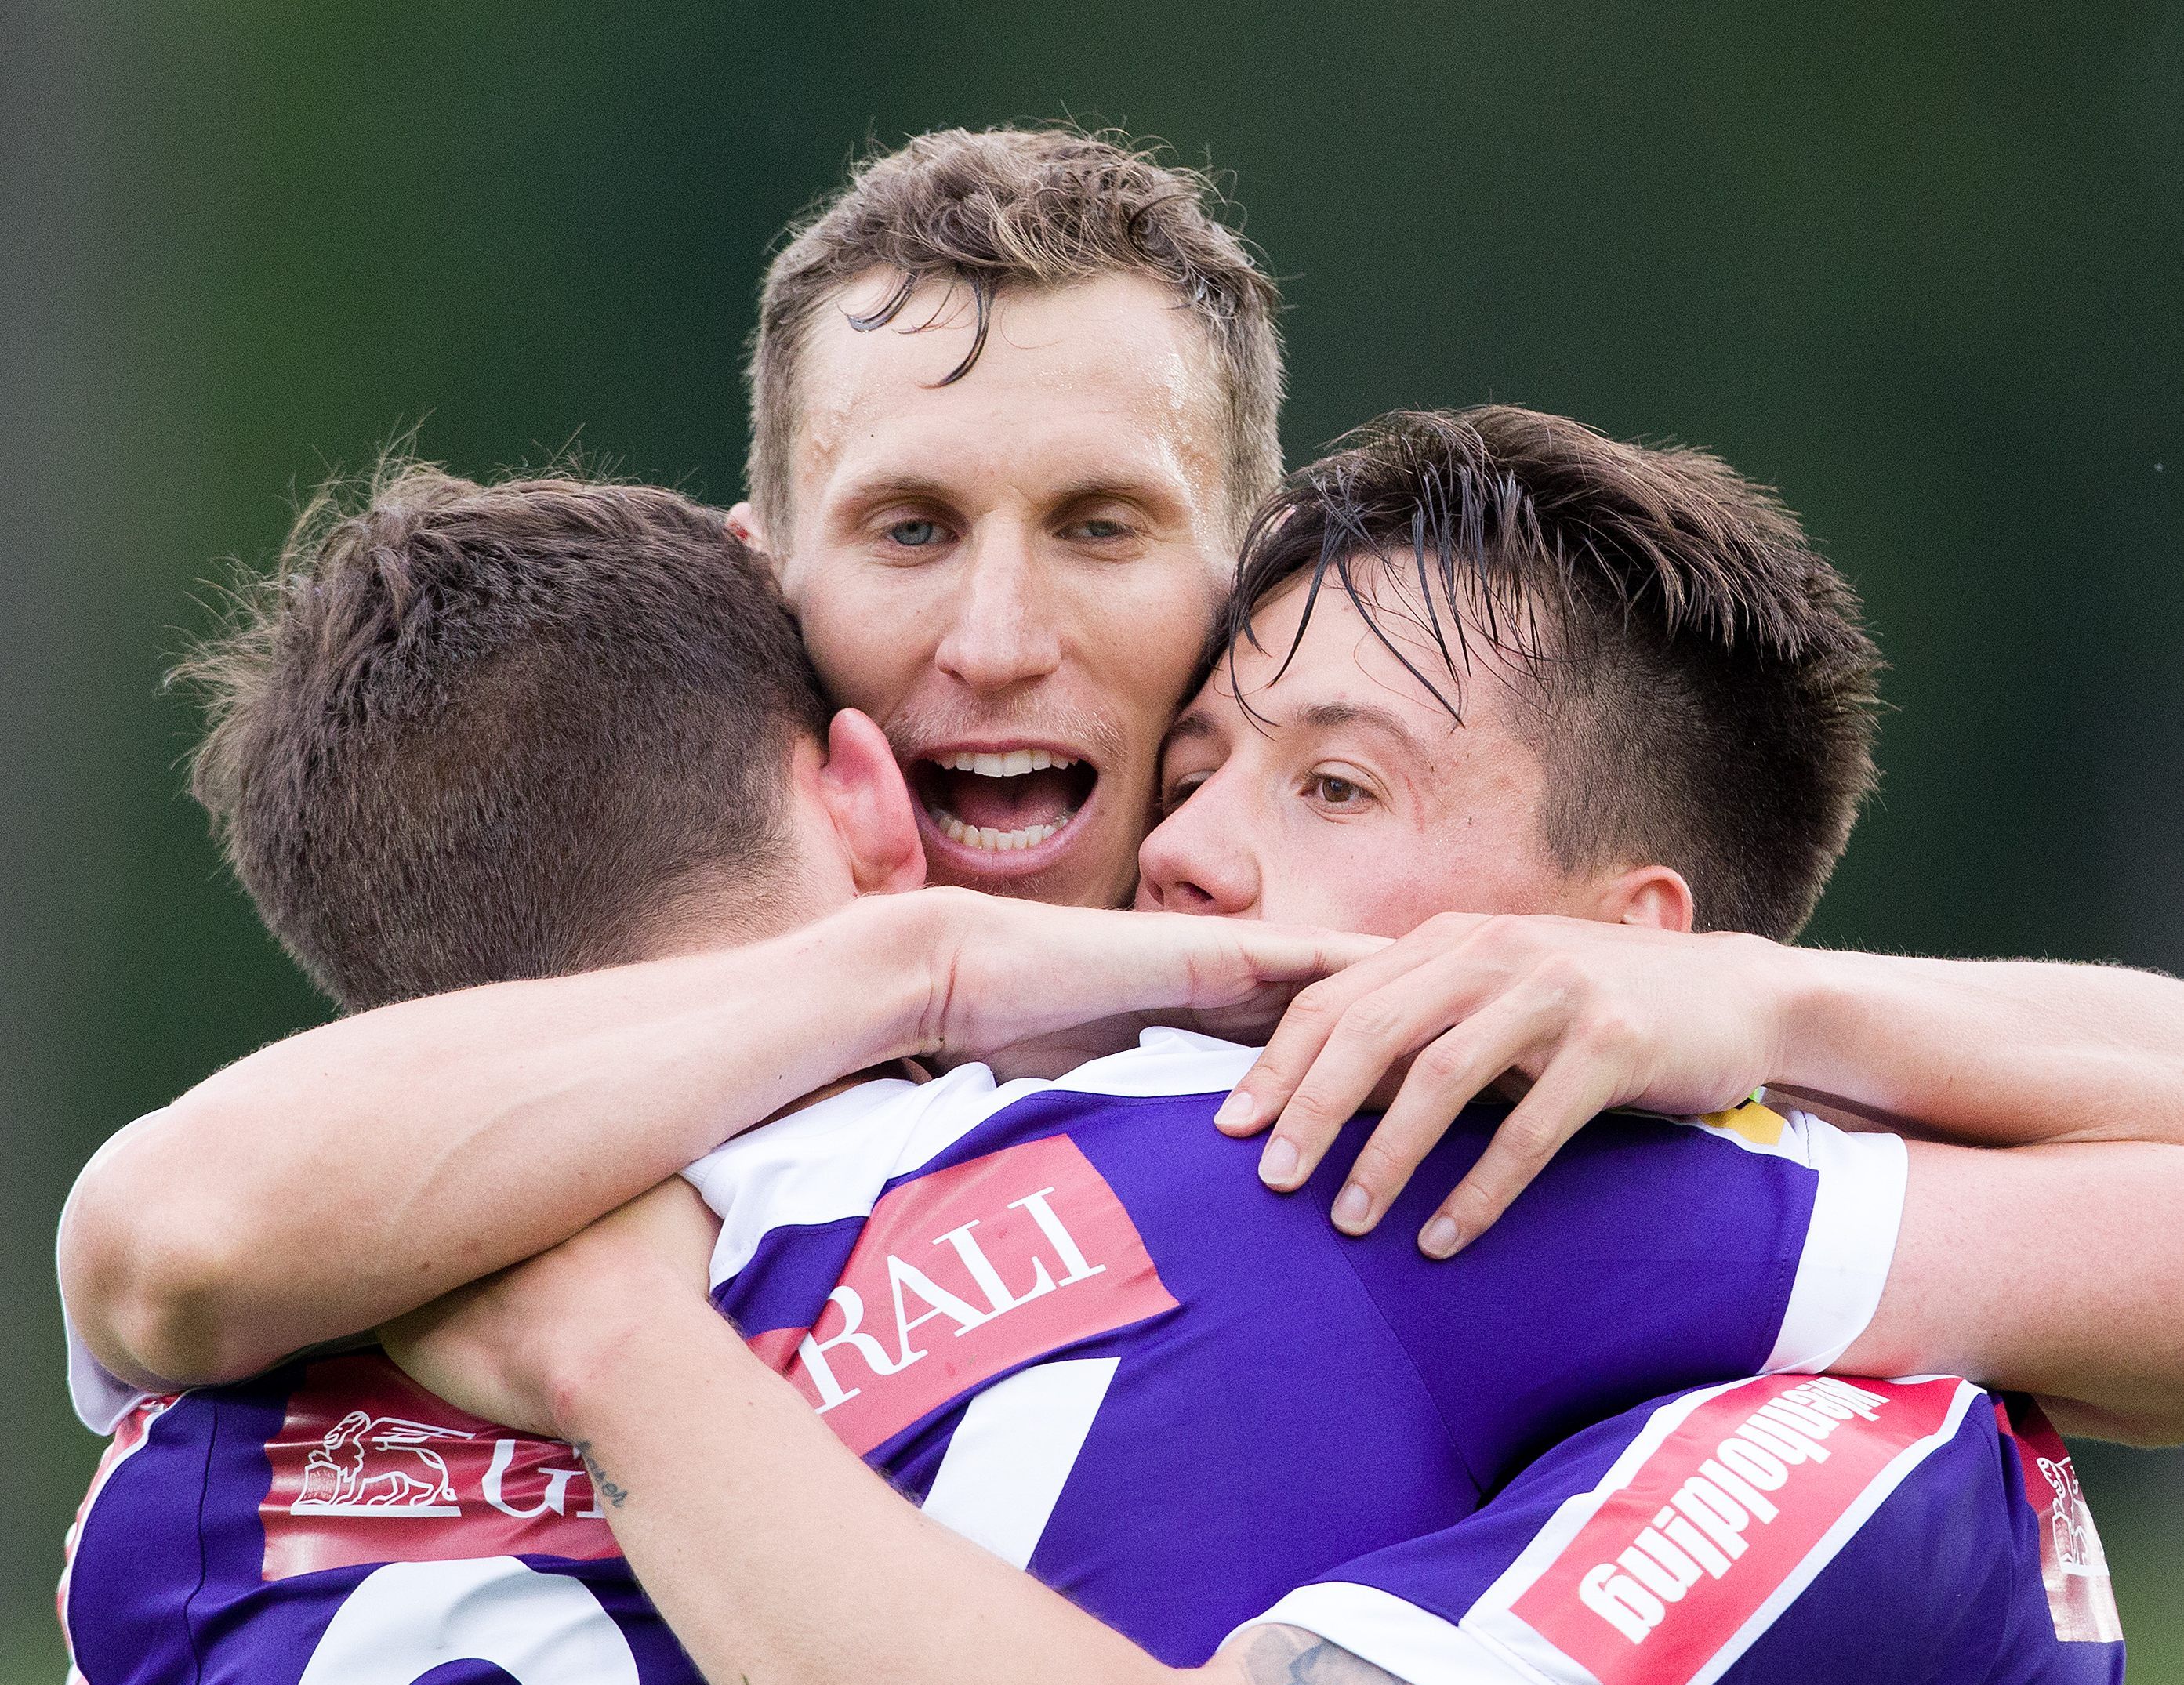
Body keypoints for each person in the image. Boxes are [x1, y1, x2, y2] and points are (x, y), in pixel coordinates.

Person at [13, 443, 2181, 1685]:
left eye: (1323, 784)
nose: (1185, 853)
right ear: (864, 782)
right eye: (1208, 760)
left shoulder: (217, 1449)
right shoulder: (1307, 1198)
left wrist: (1764, 1005)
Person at [52, 134, 2184, 1401]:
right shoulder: (554, 1111)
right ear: (754, 572)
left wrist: (1750, 997)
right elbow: (165, 1245)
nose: (996, 637)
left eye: (1096, 526)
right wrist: (924, 978)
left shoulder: (1420, 1062)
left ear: (1234, 571)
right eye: (907, 529)